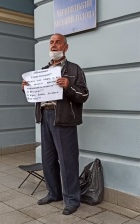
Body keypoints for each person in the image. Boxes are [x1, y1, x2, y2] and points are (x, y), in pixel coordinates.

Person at [21, 33, 89, 215]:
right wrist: (27, 88)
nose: (54, 45)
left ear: (65, 47)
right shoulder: (43, 71)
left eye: (58, 42)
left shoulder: (74, 70)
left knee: (67, 161)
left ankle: (72, 200)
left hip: (64, 120)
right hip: (45, 118)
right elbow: (36, 96)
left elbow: (84, 95)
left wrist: (69, 87)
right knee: (48, 160)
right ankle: (54, 193)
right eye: (51, 42)